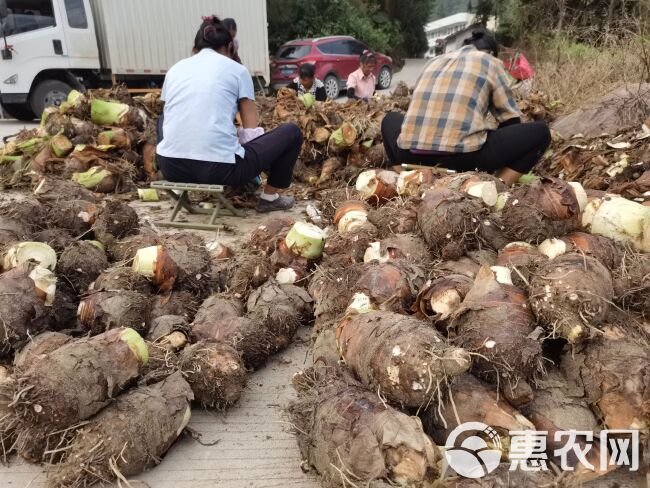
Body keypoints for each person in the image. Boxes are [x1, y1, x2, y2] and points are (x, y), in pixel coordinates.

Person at [156, 15, 302, 212]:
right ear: (228, 47)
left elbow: (172, 116)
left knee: (164, 118)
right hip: (219, 171)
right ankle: (270, 197)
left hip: (171, 167)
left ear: (196, 47)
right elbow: (250, 131)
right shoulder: (237, 70)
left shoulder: (175, 70)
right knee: (291, 132)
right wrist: (256, 165)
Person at [381, 30, 551, 186]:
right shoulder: (490, 62)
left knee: (389, 119)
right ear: (491, 53)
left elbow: (417, 110)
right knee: (541, 133)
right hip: (462, 159)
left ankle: (403, 177)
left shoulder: (434, 62)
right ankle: (496, 186)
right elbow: (511, 120)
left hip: (409, 155)